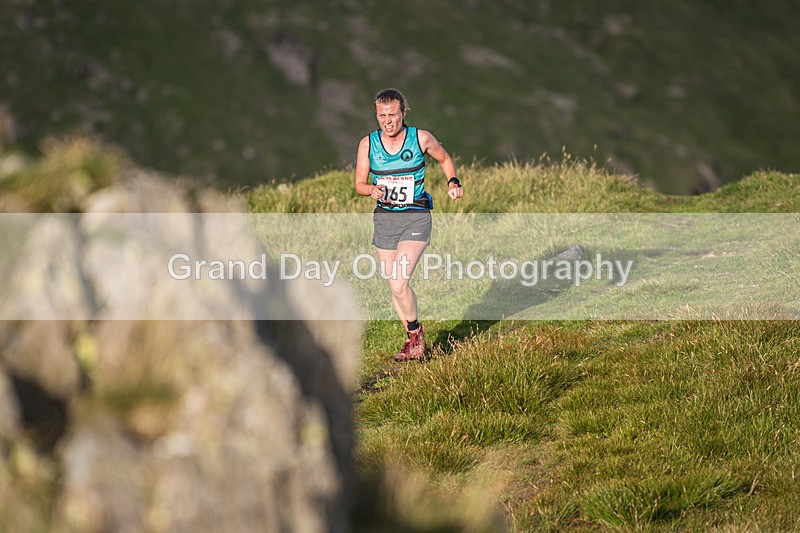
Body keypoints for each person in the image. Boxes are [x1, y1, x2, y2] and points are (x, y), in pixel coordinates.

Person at [354, 88, 463, 362]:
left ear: (403, 113)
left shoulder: (421, 138)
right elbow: (359, 184)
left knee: (400, 281)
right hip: (385, 220)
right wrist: (372, 191)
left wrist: (453, 182)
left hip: (416, 216)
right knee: (394, 285)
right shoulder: (367, 144)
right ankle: (413, 342)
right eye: (382, 116)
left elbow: (445, 159)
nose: (387, 121)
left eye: (392, 115)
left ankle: (416, 335)